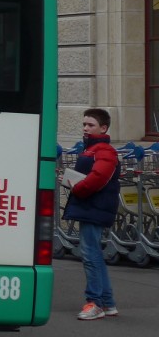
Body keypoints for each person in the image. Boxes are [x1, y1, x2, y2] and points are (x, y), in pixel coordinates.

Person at [62, 108, 121, 320]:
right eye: (84, 124)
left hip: (93, 207)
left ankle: (95, 303)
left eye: (91, 125)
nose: (86, 128)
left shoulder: (103, 150)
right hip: (91, 207)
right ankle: (107, 303)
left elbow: (97, 178)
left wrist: (76, 187)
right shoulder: (92, 149)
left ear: (103, 128)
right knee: (93, 254)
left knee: (90, 255)